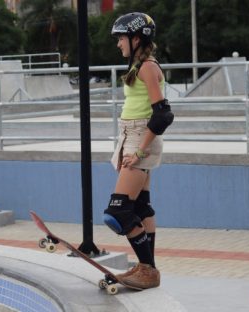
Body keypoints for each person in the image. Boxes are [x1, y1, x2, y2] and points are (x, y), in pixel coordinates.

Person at [103, 12, 174, 289]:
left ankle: (147, 269)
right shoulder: (139, 65)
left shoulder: (147, 67)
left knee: (118, 212)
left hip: (139, 140)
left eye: (121, 38)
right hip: (130, 137)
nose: (118, 43)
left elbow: (162, 116)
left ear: (136, 38)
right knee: (141, 208)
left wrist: (140, 153)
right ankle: (147, 268)